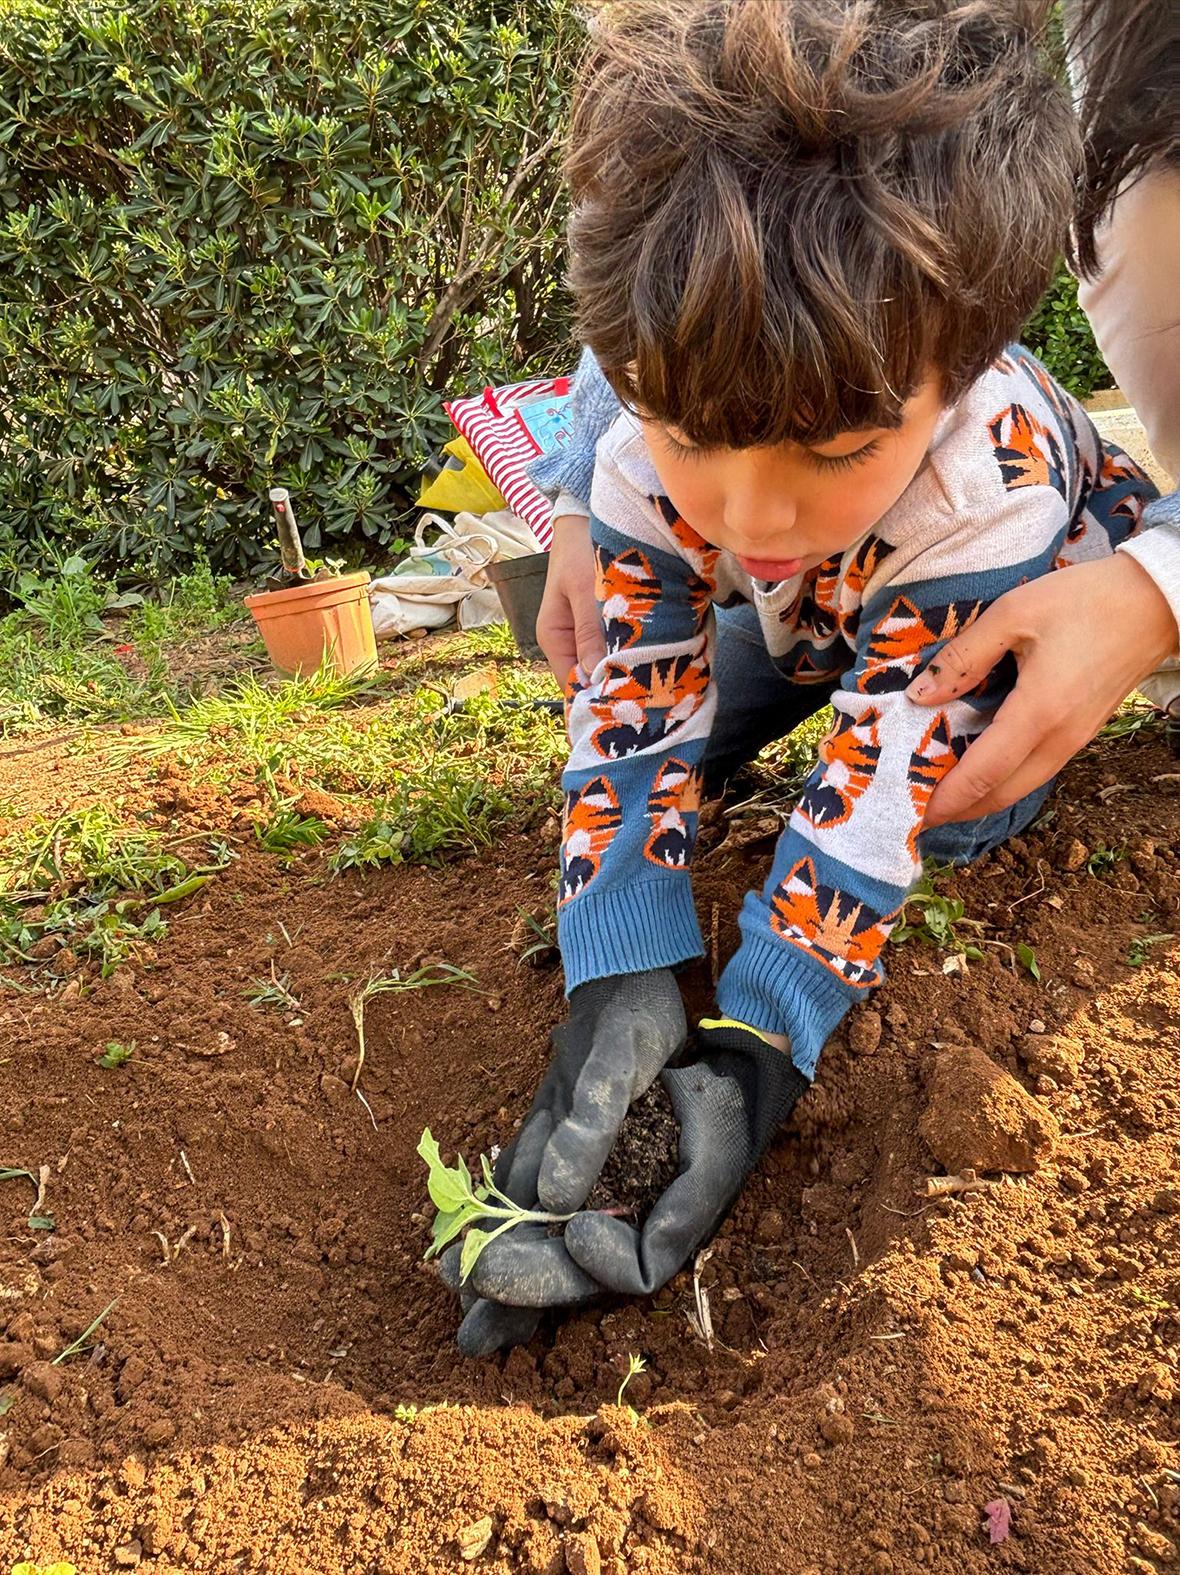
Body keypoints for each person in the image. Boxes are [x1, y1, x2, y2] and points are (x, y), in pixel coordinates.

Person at [438, 0, 1168, 1356]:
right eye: (685, 436)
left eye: (829, 451)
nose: (746, 512)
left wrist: (761, 1043)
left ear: (961, 370)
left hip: (989, 612)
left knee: (954, 787)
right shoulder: (655, 424)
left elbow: (870, 805)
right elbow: (629, 704)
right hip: (818, 619)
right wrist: (627, 954)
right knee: (696, 706)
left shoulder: (979, 479)